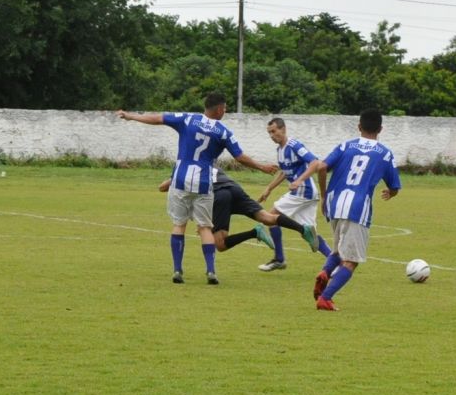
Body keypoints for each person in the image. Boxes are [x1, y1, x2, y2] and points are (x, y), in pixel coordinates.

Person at [117, 93, 276, 284]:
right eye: (225, 108)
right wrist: (261, 167)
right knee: (205, 227)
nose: (225, 111)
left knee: (179, 225)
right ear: (219, 109)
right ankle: (210, 272)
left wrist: (131, 116)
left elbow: (157, 118)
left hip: (180, 179)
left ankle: (177, 270)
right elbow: (240, 157)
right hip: (203, 182)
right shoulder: (224, 132)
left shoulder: (187, 119)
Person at [291, 109, 401, 311]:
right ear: (380, 129)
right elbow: (394, 185)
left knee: (339, 251)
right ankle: (325, 298)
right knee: (351, 261)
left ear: (359, 127)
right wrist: (391, 193)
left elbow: (321, 167)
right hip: (357, 209)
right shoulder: (385, 153)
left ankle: (325, 273)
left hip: (334, 205)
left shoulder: (345, 146)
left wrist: (324, 196)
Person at [158, 167, 316, 253]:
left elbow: (163, 187)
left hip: (219, 195)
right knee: (268, 218)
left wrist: (174, 178)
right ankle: (303, 229)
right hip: (234, 188)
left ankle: (254, 232)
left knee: (220, 245)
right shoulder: (211, 162)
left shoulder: (187, 167)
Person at [257, 117, 327, 271]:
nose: (272, 136)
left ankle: (279, 259)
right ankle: (335, 262)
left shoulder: (294, 145)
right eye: (269, 133)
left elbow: (315, 162)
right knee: (310, 235)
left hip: (303, 191)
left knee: (270, 217)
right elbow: (284, 172)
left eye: (274, 131)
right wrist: (269, 188)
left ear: (283, 129)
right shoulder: (280, 150)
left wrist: (299, 180)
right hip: (305, 194)